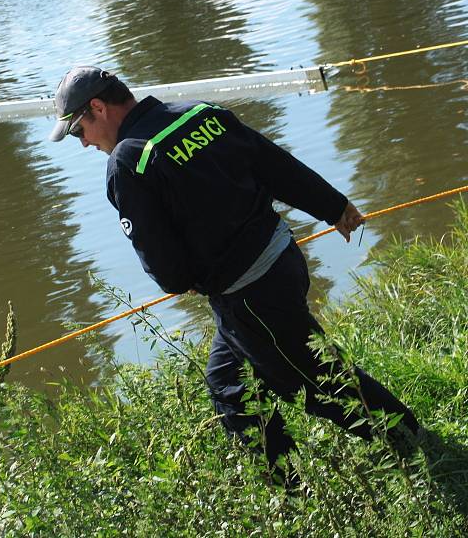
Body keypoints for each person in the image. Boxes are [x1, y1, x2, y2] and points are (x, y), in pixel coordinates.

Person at [47, 65, 420, 484]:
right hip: (282, 261)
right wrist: (333, 206)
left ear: (98, 107)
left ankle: (414, 444)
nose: (83, 144)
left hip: (250, 294)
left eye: (79, 131)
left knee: (318, 383)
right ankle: (291, 488)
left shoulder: (130, 160)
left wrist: (179, 280)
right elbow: (273, 164)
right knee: (231, 385)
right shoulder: (200, 114)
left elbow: (165, 265)